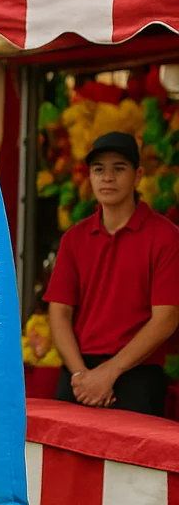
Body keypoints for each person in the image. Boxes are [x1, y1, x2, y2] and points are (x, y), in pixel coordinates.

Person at [46, 131, 179, 417]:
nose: (107, 178)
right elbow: (59, 313)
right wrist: (81, 375)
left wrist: (108, 374)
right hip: (78, 373)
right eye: (98, 169)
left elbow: (166, 318)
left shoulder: (167, 237)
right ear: (89, 177)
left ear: (138, 176)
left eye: (119, 168)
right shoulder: (74, 239)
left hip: (137, 373)